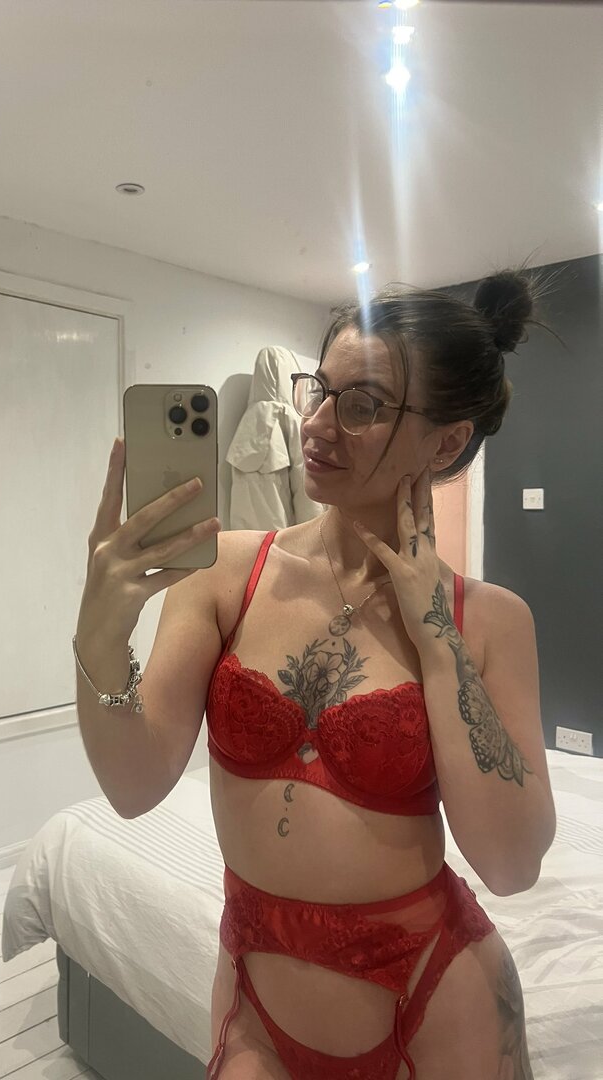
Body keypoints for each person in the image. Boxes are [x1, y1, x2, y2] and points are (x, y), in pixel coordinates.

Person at [73, 269, 556, 1080]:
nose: (317, 423)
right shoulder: (225, 572)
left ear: (445, 442)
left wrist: (436, 635)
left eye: (362, 404)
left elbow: (511, 864)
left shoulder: (490, 620)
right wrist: (98, 632)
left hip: (436, 998)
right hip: (258, 992)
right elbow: (133, 785)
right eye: (319, 390)